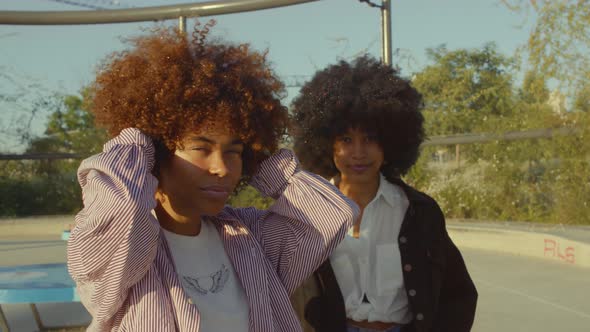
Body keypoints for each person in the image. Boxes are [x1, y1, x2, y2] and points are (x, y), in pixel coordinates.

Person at [67, 22, 359, 332]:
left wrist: (260, 159)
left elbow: (332, 214)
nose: (222, 167)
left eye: (234, 152)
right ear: (157, 157)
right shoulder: (120, 253)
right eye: (201, 148)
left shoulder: (249, 236)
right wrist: (139, 143)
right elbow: (121, 208)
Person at [289, 55, 477, 332]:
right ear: (325, 143)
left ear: (390, 141)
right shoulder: (308, 213)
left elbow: (458, 294)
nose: (358, 153)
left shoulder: (418, 212)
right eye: (346, 140)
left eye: (370, 138)